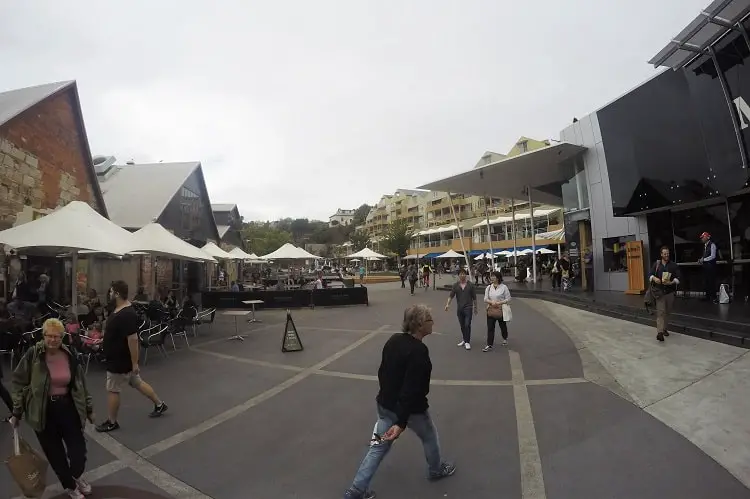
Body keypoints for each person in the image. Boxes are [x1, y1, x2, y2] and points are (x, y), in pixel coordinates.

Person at [342, 305, 455, 499]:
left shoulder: (393, 340)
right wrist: (401, 422)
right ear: (420, 325)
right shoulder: (419, 351)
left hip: (385, 405)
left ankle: (356, 490)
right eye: (429, 319)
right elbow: (415, 390)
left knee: (377, 446)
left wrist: (387, 400)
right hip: (410, 411)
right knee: (429, 436)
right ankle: (436, 470)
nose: (432, 322)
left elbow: (382, 372)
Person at [10, 318, 94, 499]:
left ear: (62, 337)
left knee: (78, 451)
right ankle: (71, 486)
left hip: (68, 407)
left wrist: (88, 407)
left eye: (57, 336)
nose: (53, 340)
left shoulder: (69, 354)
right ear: (43, 336)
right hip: (43, 411)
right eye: (49, 336)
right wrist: (17, 410)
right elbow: (18, 381)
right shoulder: (34, 354)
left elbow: (80, 383)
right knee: (56, 454)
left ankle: (76, 474)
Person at [95, 280, 168, 433]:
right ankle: (159, 404)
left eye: (110, 292)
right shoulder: (120, 310)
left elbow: (133, 339)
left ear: (116, 293)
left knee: (113, 389)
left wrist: (135, 363)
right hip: (120, 358)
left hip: (120, 360)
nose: (109, 294)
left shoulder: (127, 313)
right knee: (137, 382)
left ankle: (112, 421)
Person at [649, 246, 681, 342]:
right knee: (661, 312)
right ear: (661, 254)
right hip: (659, 292)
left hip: (670, 292)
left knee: (667, 312)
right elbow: (650, 274)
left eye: (668, 253)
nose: (667, 255)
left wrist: (671, 282)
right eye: (665, 253)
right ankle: (660, 332)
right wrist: (655, 279)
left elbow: (679, 277)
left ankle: (664, 329)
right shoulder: (657, 264)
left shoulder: (673, 265)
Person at [444, 268, 477, 350]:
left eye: (464, 274)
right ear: (458, 275)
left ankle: (467, 342)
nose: (462, 275)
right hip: (460, 308)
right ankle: (464, 339)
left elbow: (474, 297)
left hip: (468, 307)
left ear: (466, 275)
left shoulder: (470, 285)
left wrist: (475, 307)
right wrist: (447, 304)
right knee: (462, 325)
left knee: (467, 324)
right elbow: (451, 296)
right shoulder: (455, 285)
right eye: (461, 274)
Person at [483, 271, 512, 351]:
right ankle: (489, 344)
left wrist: (499, 302)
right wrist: (491, 302)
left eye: (493, 276)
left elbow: (508, 298)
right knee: (490, 327)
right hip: (491, 309)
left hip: (501, 309)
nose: (492, 278)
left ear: (498, 278)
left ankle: (505, 337)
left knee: (502, 326)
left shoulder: (504, 287)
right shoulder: (489, 287)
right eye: (491, 276)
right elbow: (485, 299)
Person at [699, 231, 718, 303]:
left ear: (707, 237)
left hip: (711, 267)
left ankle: (714, 298)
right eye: (702, 238)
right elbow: (705, 255)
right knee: (706, 282)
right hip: (706, 267)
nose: (702, 239)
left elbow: (713, 256)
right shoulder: (705, 246)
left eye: (703, 237)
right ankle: (707, 297)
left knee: (712, 282)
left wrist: (704, 259)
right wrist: (701, 260)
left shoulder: (712, 245)